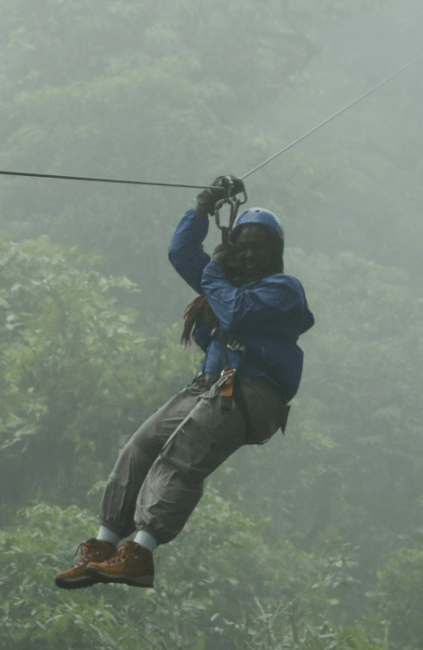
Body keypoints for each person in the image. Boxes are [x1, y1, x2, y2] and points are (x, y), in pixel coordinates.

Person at [55, 180, 315, 589]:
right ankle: (104, 545)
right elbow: (181, 253)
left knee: (181, 456)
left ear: (275, 252)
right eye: (241, 244)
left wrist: (215, 268)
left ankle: (140, 554)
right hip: (210, 384)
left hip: (249, 390)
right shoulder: (225, 282)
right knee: (141, 446)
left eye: (258, 245)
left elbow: (237, 313)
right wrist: (201, 209)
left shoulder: (284, 290)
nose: (247, 253)